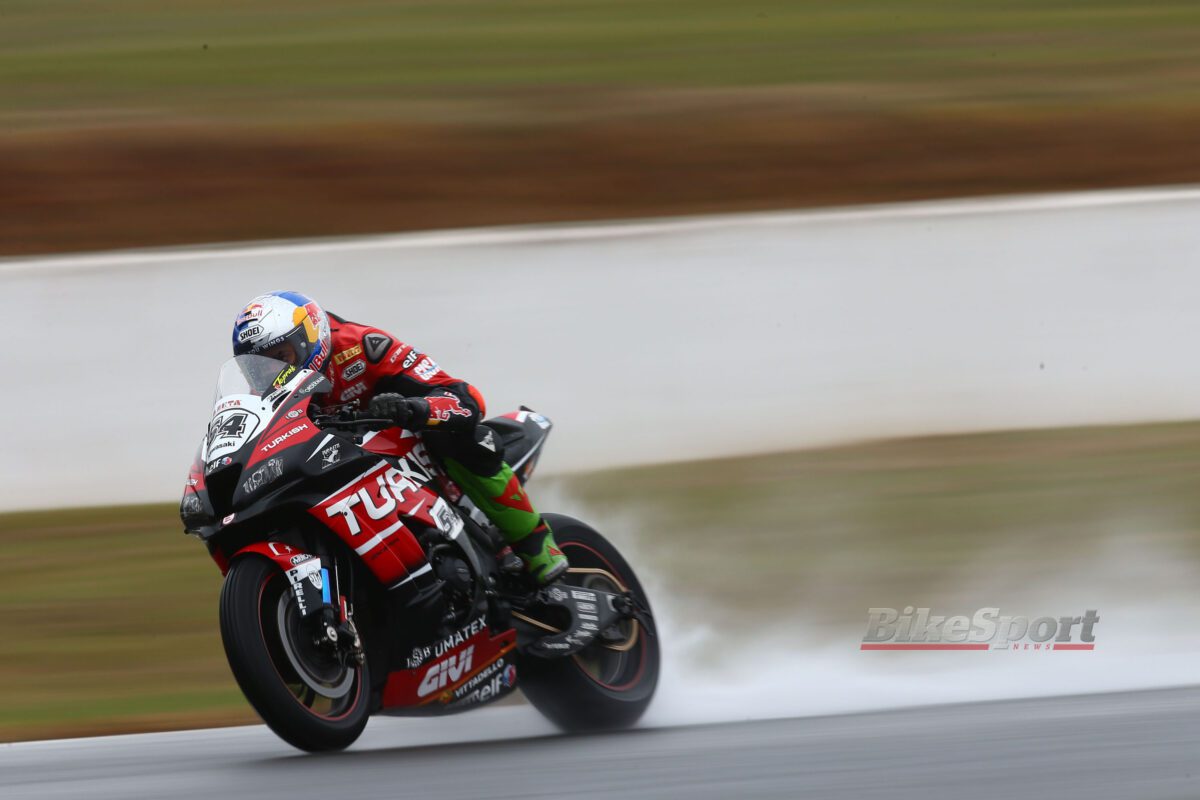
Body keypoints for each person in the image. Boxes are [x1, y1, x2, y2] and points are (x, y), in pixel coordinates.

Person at [230, 290, 568, 586]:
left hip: (410, 451)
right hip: (345, 471)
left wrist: (415, 407)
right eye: (259, 367)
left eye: (281, 357)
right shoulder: (267, 395)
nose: (273, 372)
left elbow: (465, 399)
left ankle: (537, 545)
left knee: (452, 434)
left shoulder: (363, 346)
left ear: (309, 339)